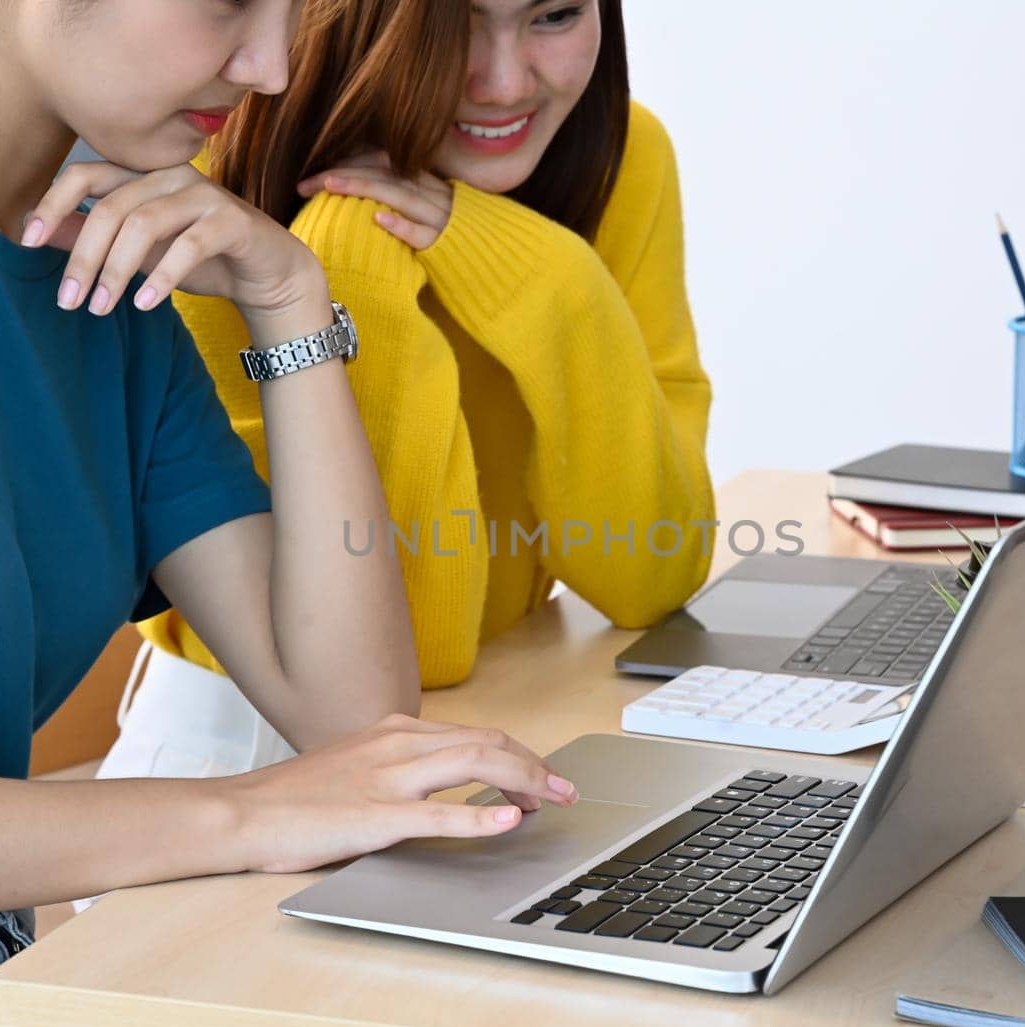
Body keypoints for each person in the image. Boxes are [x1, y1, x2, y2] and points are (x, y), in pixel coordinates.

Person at [0, 0, 573, 1027]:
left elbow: (352, 713)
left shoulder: (101, 248)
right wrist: (244, 812)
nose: (273, 67)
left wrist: (287, 297)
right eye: (229, 3)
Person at [105, 0, 714, 781]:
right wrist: (352, 260)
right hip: (241, 751)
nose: (501, 84)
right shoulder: (204, 203)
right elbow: (404, 662)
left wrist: (548, 280)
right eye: (453, 24)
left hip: (511, 707)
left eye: (555, 15)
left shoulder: (623, 159)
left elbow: (654, 572)